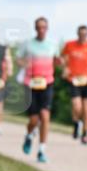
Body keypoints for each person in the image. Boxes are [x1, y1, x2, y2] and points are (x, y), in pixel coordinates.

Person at [18, 17, 62, 163]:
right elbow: (18, 59)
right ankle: (29, 135)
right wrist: (24, 63)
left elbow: (56, 61)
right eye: (39, 27)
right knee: (33, 119)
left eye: (44, 27)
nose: (41, 30)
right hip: (30, 83)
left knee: (45, 115)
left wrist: (60, 63)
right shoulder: (28, 44)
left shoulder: (52, 45)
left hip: (47, 82)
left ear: (47, 28)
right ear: (35, 28)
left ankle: (42, 150)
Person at [61, 25, 87, 145]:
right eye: (81, 34)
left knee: (86, 108)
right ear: (77, 34)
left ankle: (85, 134)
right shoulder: (70, 45)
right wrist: (65, 68)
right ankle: (76, 123)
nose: (82, 36)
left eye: (85, 34)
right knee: (76, 106)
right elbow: (63, 58)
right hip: (74, 80)